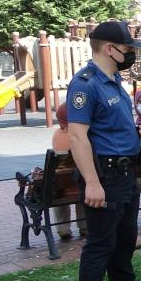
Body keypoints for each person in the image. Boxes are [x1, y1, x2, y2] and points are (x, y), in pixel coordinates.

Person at [66, 20, 141, 281]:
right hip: (103, 175)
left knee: (125, 238)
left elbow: (111, 128)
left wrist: (138, 130)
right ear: (109, 48)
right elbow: (78, 137)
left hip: (125, 172)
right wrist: (92, 182)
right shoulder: (86, 83)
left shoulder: (114, 80)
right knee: (100, 244)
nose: (131, 53)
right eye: (127, 48)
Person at [52, 103, 87, 240]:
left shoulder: (57, 135)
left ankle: (63, 229)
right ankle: (84, 226)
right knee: (81, 185)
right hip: (80, 185)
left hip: (63, 189)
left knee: (59, 183)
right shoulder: (83, 135)